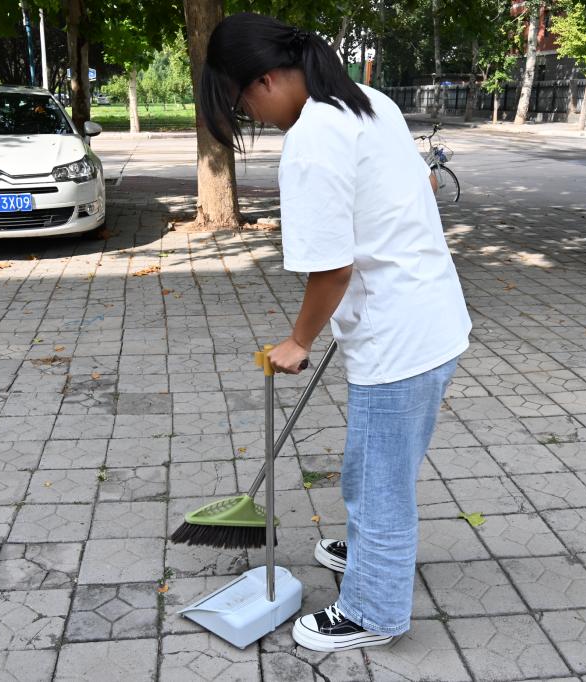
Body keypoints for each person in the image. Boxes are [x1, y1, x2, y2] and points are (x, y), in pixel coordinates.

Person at [198, 13, 471, 652]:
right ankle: (372, 551)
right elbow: (414, 191)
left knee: (380, 488)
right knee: (373, 467)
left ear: (266, 80)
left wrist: (299, 341)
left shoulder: (314, 139)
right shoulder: (364, 100)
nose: (250, 116)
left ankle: (373, 612)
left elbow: (332, 269)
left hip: (399, 339)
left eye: (241, 103)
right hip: (431, 319)